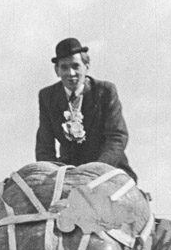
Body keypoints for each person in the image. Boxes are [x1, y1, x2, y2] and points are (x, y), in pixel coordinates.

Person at [35, 37, 137, 181]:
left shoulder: (105, 91)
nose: (71, 73)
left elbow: (117, 136)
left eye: (75, 66)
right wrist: (52, 176)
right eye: (64, 67)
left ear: (86, 66)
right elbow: (44, 146)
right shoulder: (47, 96)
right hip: (67, 174)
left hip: (107, 170)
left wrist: (94, 172)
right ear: (57, 70)